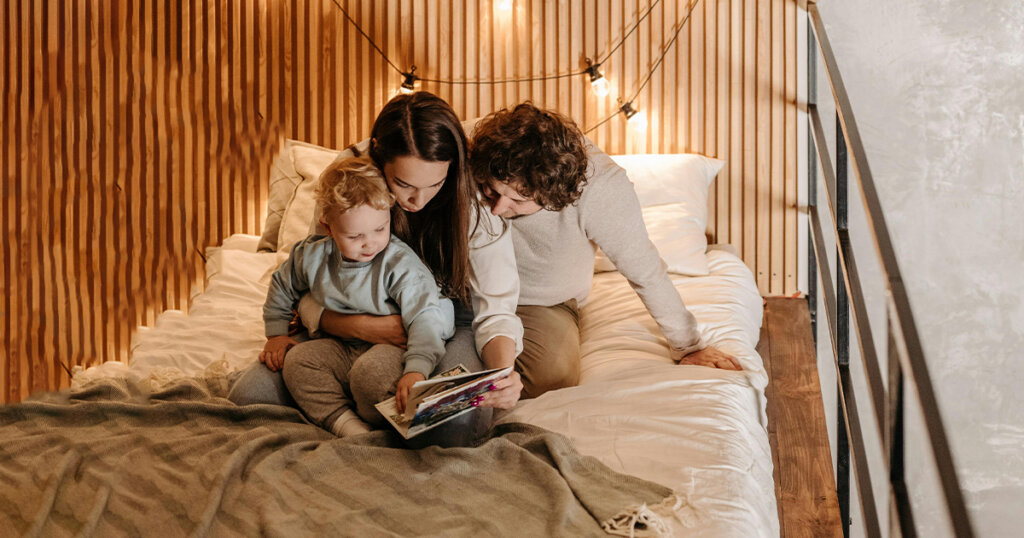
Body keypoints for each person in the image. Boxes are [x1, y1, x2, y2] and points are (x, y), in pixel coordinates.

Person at [229, 92, 525, 443]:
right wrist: (361, 327)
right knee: (247, 399)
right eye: (404, 185)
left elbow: (496, 309)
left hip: (440, 329)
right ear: (378, 158)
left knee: (452, 424)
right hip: (345, 321)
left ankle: (365, 409)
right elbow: (316, 272)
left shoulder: (472, 198)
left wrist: (503, 373)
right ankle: (355, 415)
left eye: (435, 184)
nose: (419, 200)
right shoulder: (347, 178)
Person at [467, 103, 742, 401]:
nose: (497, 209)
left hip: (537, 300)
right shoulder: (472, 145)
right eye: (490, 191)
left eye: (517, 200)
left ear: (553, 195)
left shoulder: (601, 187)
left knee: (552, 377)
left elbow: (644, 270)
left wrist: (690, 345)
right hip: (459, 283)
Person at [260, 156, 455, 437]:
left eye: (379, 229)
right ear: (328, 228)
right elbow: (282, 285)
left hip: (392, 348)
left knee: (371, 375)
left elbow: (426, 318)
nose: (370, 243)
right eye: (355, 236)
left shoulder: (400, 264)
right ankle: (345, 424)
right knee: (298, 362)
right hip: (340, 344)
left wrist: (417, 369)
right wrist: (276, 334)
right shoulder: (311, 256)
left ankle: (381, 420)